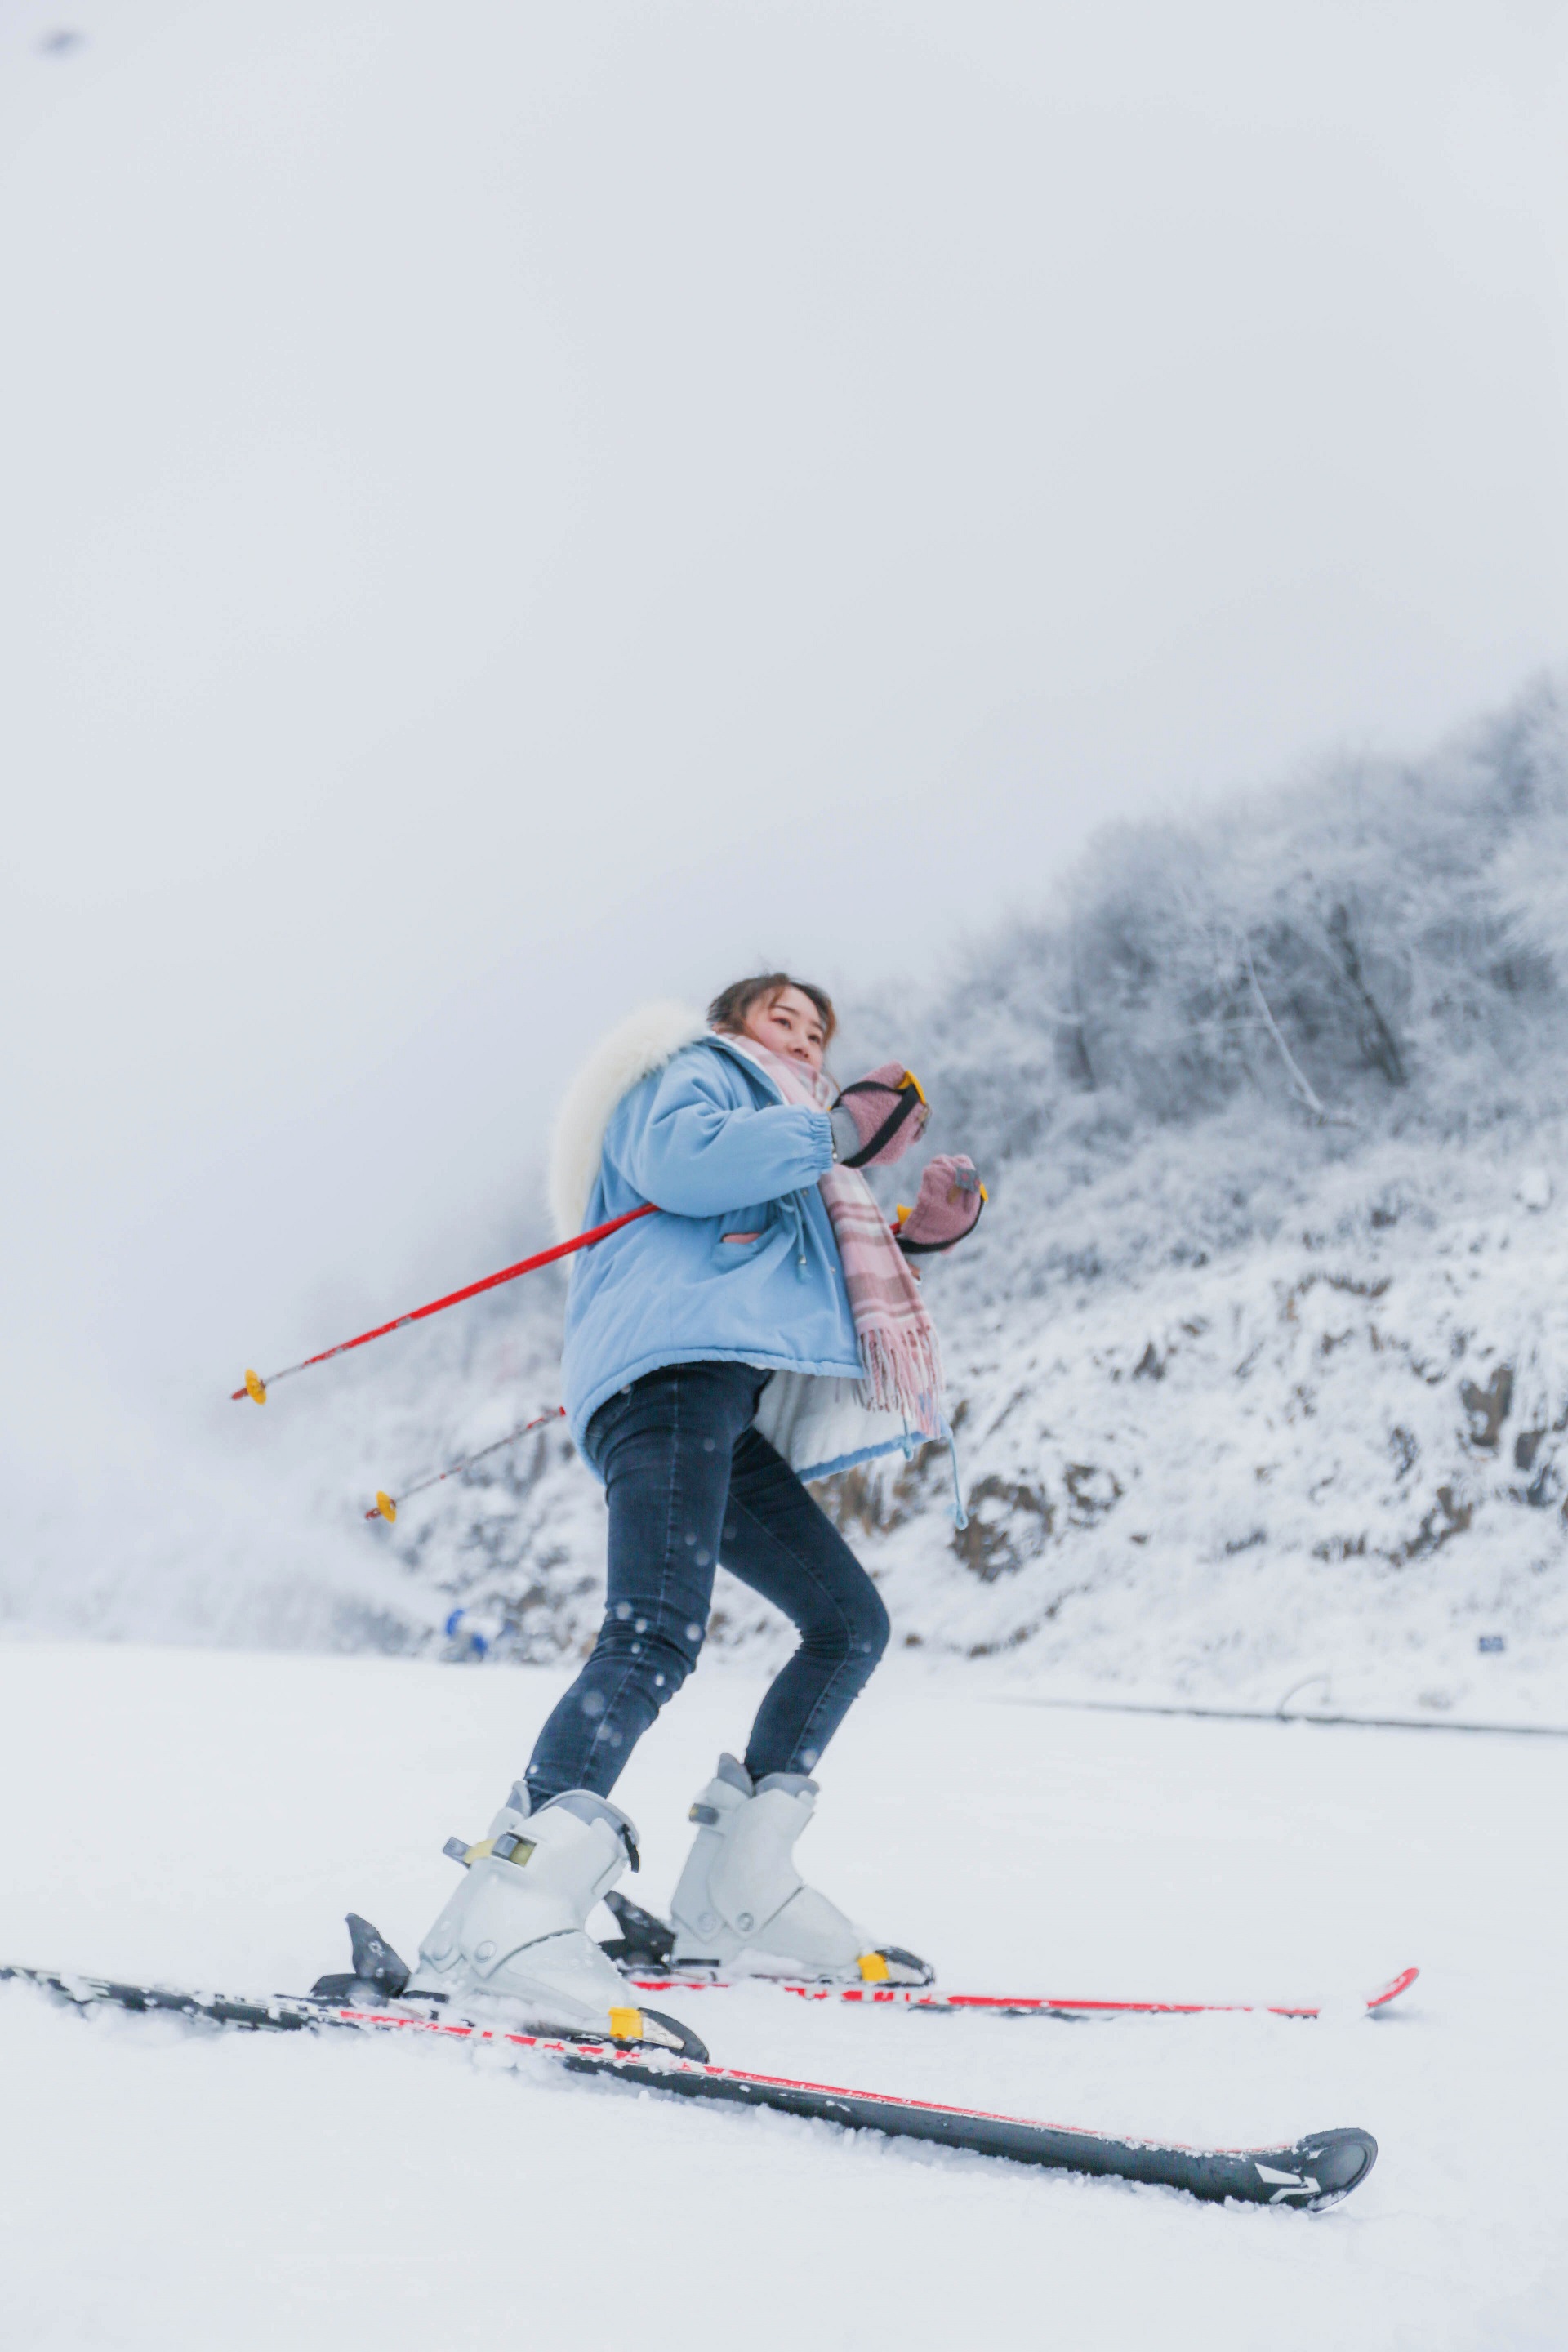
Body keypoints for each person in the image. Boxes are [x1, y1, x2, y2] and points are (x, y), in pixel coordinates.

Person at [406, 976, 985, 2047]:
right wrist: (836, 1130)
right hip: (667, 1376)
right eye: (785, 1019)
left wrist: (919, 1238)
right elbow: (691, 1171)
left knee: (847, 1624)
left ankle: (738, 1895)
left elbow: (801, 1270)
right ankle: (508, 1910)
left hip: (726, 1401)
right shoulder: (686, 1073)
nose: (805, 1039)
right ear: (732, 1023)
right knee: (654, 1631)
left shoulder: (798, 1145)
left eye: (818, 1033)